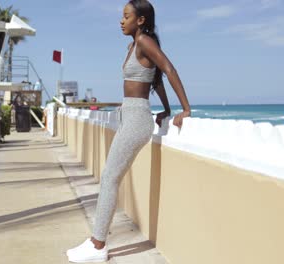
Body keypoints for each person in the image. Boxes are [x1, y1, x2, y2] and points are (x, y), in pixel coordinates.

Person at [66, 0, 191, 262]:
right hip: (128, 115)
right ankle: (96, 242)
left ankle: (98, 245)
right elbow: (155, 79)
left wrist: (185, 109)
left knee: (110, 177)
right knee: (110, 176)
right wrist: (167, 110)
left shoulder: (145, 41)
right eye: (121, 17)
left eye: (126, 16)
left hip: (136, 119)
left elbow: (169, 69)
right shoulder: (133, 45)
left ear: (141, 20)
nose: (121, 21)